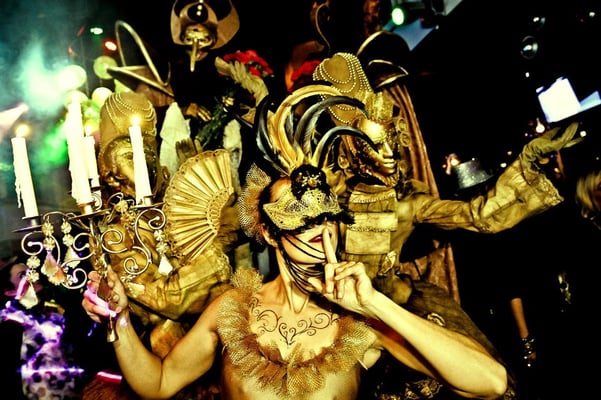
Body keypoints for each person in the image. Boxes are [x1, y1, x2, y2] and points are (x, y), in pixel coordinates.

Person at [81, 86, 508, 400]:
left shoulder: (361, 321)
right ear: (270, 233)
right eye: (301, 219)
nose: (321, 229)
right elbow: (158, 384)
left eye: (327, 216)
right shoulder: (232, 310)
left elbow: (490, 383)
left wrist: (377, 305)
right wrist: (119, 320)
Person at [0, 258, 87, 399]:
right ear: (10, 291)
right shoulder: (11, 325)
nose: (32, 275)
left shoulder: (55, 313)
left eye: (30, 271)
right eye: (22, 275)